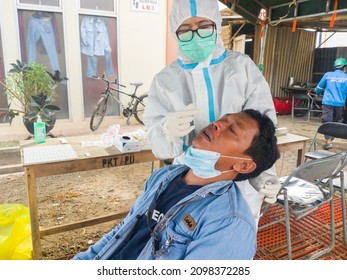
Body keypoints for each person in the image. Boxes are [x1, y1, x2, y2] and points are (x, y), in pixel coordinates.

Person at [73, 109, 280, 260]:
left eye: (232, 130)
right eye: (222, 120)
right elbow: (122, 232)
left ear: (243, 165)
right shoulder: (164, 177)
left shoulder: (229, 224)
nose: (217, 125)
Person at [143, 0, 279, 221]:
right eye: (185, 30)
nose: (195, 35)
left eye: (204, 26)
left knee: (233, 238)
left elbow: (262, 130)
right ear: (174, 33)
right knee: (181, 236)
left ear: (216, 24)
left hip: (238, 182)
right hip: (190, 178)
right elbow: (159, 141)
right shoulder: (165, 80)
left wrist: (262, 174)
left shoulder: (242, 67)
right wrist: (165, 130)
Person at [313, 57, 347, 149]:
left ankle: (328, 141)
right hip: (340, 104)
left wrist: (315, 93)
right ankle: (329, 140)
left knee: (327, 121)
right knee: (335, 122)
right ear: (344, 67)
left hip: (328, 102)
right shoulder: (346, 77)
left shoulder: (328, 75)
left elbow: (319, 88)